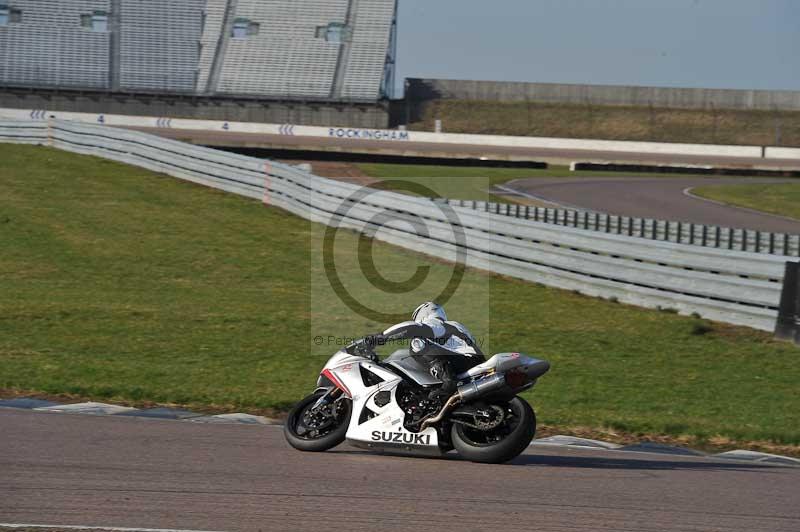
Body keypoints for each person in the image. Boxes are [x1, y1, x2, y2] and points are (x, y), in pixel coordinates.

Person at [370, 302, 484, 400]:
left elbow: (412, 328)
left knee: (417, 343)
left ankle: (449, 383)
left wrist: (379, 338)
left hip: (467, 361)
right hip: (472, 361)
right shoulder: (454, 326)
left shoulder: (437, 324)